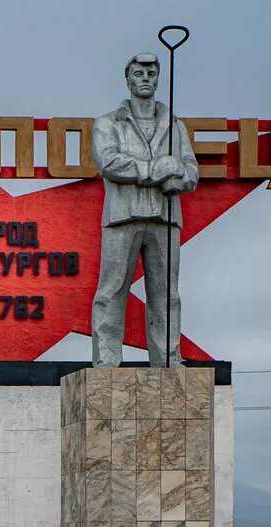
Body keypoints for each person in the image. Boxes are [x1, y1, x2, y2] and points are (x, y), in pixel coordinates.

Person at [90, 52, 199, 368]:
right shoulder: (108, 123)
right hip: (123, 216)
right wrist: (156, 169)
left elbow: (191, 170)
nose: (145, 78)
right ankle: (107, 362)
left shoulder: (175, 125)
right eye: (139, 73)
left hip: (164, 218)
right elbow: (109, 163)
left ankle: (167, 359)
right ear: (128, 80)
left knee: (167, 295)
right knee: (111, 291)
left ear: (158, 78)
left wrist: (178, 176)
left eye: (151, 73)